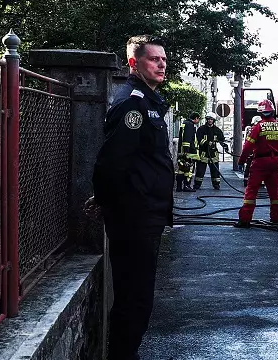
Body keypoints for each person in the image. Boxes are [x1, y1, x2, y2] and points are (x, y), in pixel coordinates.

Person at [85, 35, 173, 360]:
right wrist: (105, 199)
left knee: (137, 297)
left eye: (164, 59)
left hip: (146, 215)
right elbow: (112, 160)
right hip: (134, 218)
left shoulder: (148, 101)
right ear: (134, 63)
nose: (162, 64)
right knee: (134, 299)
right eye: (154, 59)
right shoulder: (133, 104)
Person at [236, 99, 278, 227]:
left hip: (259, 162)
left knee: (251, 191)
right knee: (275, 193)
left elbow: (248, 146)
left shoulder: (258, 127)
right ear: (272, 112)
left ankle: (245, 220)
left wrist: (241, 161)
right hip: (275, 162)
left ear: (260, 113)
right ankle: (276, 219)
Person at [193, 113, 225, 190]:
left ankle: (216, 185)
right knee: (200, 170)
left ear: (213, 120)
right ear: (206, 120)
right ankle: (197, 185)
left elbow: (221, 139)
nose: (210, 121)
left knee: (215, 171)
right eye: (209, 119)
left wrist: (223, 145)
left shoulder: (217, 130)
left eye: (211, 119)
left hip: (213, 153)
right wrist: (207, 143)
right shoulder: (201, 129)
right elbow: (198, 139)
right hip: (203, 153)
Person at [175, 113, 200, 192]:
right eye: (198, 119)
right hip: (189, 152)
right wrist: (186, 152)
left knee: (182, 169)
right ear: (196, 118)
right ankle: (187, 186)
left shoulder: (185, 123)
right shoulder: (189, 125)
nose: (198, 120)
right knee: (189, 169)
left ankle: (179, 187)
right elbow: (187, 138)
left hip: (182, 150)